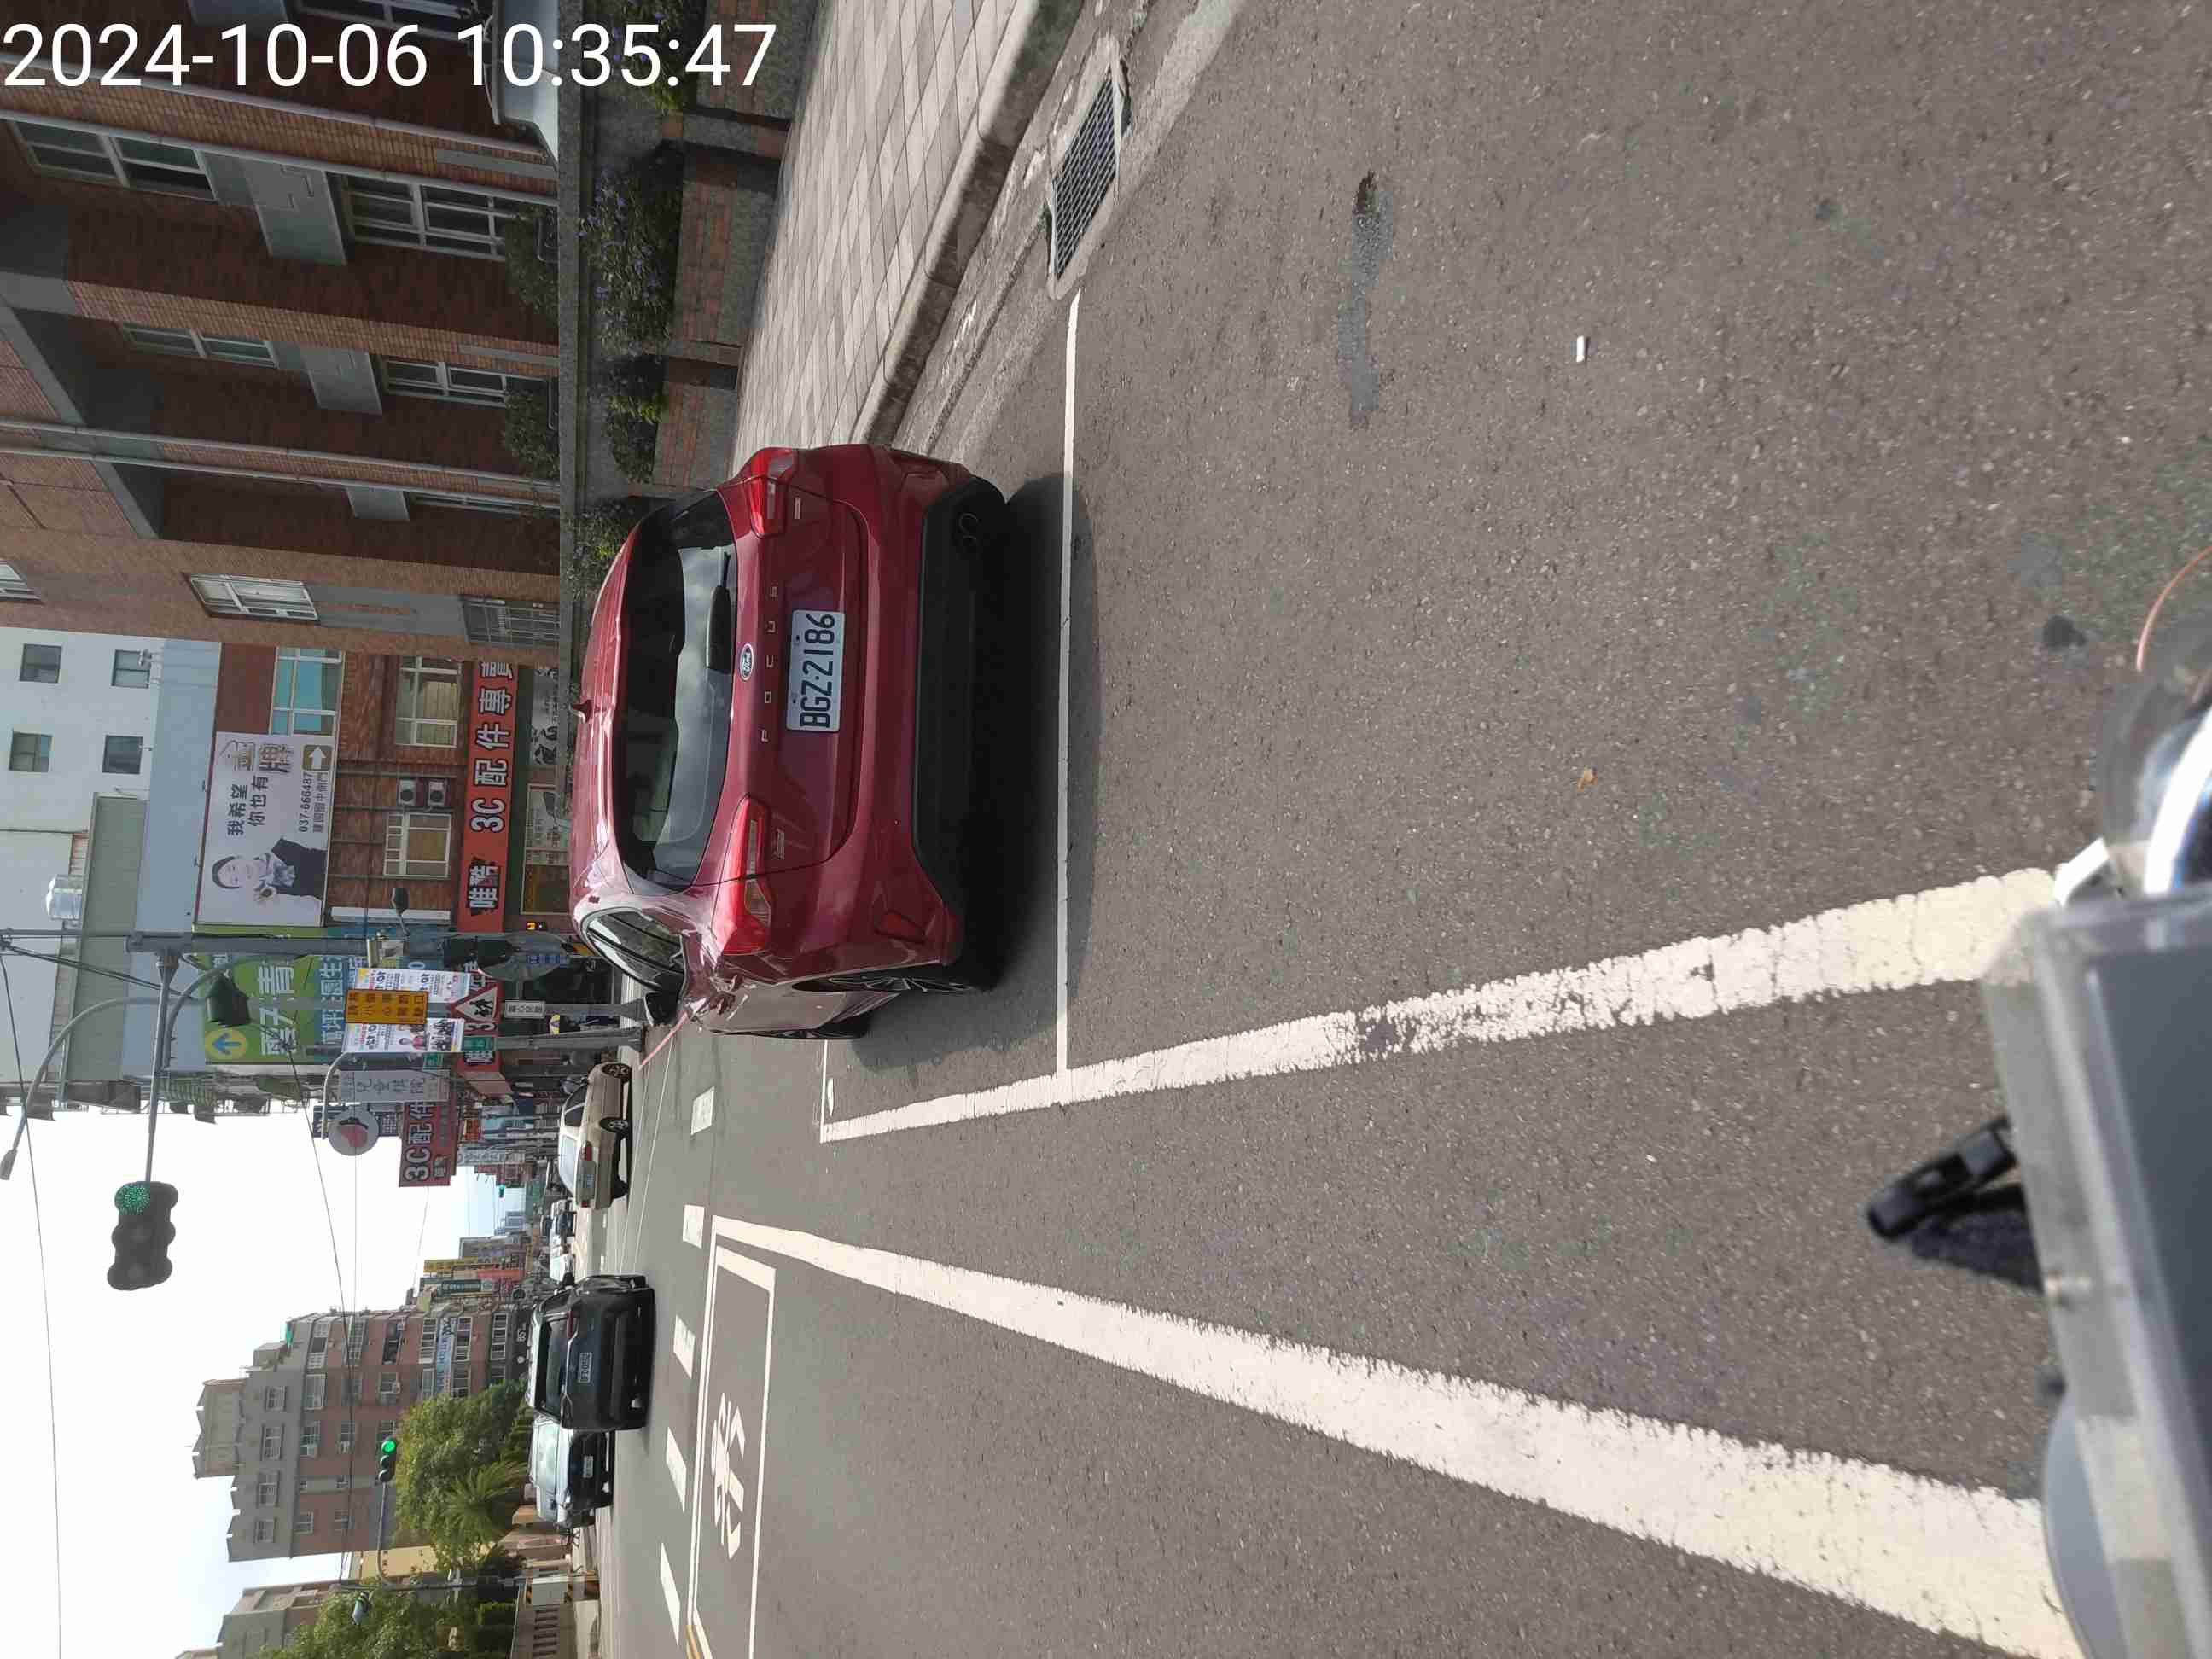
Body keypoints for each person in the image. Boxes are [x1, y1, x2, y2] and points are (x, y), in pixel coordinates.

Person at [210, 837, 328, 903]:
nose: (241, 873)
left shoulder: (279, 842)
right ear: (242, 886)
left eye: (233, 868)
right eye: (235, 880)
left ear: (238, 857)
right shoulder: (271, 895)